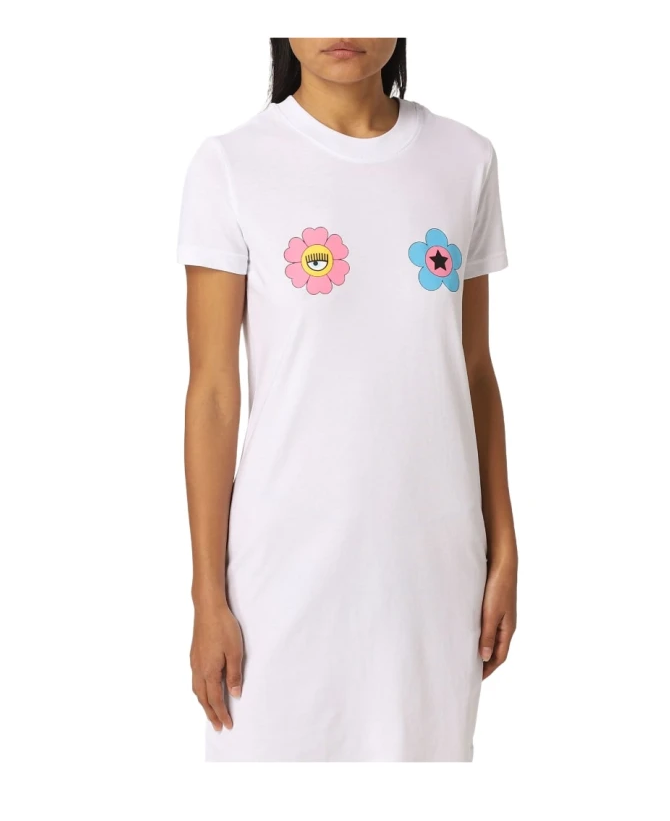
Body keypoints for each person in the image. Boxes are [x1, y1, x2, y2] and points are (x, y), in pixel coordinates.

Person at [177, 38, 517, 762]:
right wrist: (207, 594)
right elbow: (212, 394)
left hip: (432, 570)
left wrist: (504, 549)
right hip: (279, 575)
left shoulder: (465, 159)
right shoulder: (232, 165)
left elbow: (475, 371)